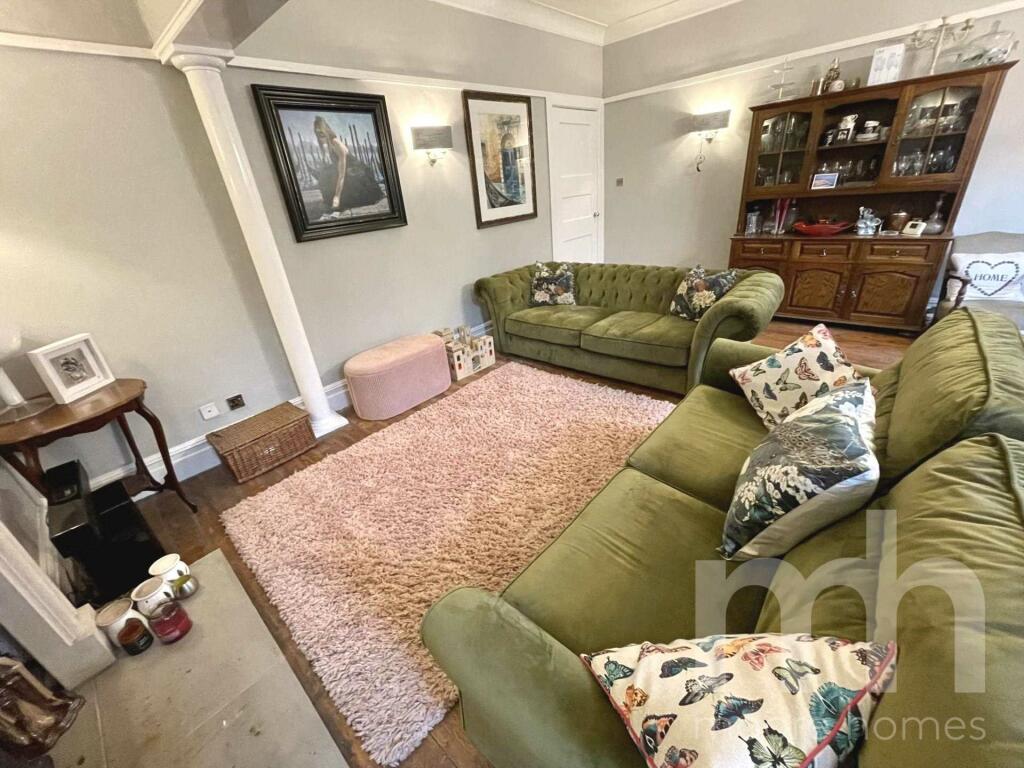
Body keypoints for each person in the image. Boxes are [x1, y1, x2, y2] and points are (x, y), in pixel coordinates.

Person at [312, 116, 384, 215]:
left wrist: (337, 197)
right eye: (317, 133)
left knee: (340, 186)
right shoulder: (328, 145)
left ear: (326, 130)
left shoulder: (336, 143)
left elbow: (341, 175)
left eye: (321, 133)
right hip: (345, 169)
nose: (320, 136)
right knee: (325, 174)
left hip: (355, 171)